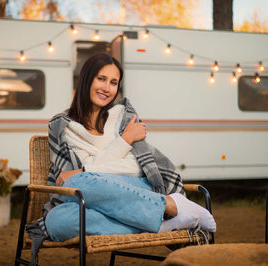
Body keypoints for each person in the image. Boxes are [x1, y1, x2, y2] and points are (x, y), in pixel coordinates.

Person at [27, 52, 216, 263]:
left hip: (136, 188)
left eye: (114, 82)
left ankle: (168, 206)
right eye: (101, 79)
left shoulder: (123, 117)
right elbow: (67, 184)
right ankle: (166, 216)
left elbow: (136, 166)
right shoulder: (63, 126)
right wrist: (123, 143)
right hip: (91, 200)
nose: (107, 88)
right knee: (57, 220)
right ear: (87, 79)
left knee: (79, 178)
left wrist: (87, 169)